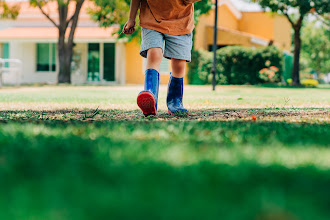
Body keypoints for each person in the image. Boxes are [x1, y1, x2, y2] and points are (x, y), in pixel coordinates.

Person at [123, 0, 201, 116]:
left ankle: (175, 102)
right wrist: (131, 19)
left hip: (181, 20)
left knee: (179, 64)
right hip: (151, 18)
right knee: (154, 54)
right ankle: (150, 95)